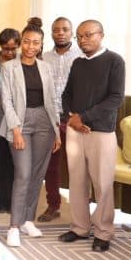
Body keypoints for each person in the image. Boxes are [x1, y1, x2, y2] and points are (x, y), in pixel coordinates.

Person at [58, 20, 125, 252]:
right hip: (76, 131)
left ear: (101, 35)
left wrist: (83, 117)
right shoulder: (77, 63)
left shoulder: (114, 61)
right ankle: (79, 228)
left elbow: (116, 98)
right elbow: (67, 94)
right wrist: (72, 117)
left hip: (101, 132)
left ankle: (103, 231)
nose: (83, 40)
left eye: (88, 35)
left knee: (102, 183)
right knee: (77, 182)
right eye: (79, 36)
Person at [0, 18, 61, 247]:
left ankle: (27, 220)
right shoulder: (8, 67)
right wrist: (15, 129)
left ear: (41, 44)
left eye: (36, 43)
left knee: (37, 174)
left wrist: (57, 131)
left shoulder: (46, 67)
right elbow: (6, 101)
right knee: (23, 174)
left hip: (44, 122)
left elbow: (52, 101)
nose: (30, 47)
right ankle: (14, 226)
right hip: (20, 123)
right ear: (20, 43)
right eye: (26, 42)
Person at [38, 17, 82, 222]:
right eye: (56, 30)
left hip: (73, 118)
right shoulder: (44, 57)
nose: (60, 33)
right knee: (51, 166)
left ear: (71, 32)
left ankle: (80, 211)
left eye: (65, 29)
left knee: (78, 166)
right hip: (49, 118)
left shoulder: (82, 55)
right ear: (52, 33)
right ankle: (53, 205)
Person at [0, 28, 20, 213]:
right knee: (0, 163)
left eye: (13, 48)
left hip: (16, 120)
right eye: (5, 48)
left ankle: (13, 202)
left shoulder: (22, 62)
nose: (9, 52)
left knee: (15, 164)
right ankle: (1, 202)